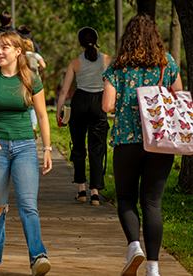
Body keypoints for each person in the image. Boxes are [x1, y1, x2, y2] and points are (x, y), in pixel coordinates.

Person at [102, 14, 182, 276]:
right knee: (152, 203)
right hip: (160, 141)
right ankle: (154, 268)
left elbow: (107, 105)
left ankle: (134, 247)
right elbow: (178, 98)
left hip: (127, 139)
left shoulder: (118, 65)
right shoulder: (167, 63)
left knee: (126, 198)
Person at [0, 31, 52, 276]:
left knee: (28, 205)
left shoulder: (30, 79)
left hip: (25, 147)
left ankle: (38, 256)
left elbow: (42, 116)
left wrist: (47, 148)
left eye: (5, 47)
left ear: (18, 52)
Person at [56, 27, 112, 206]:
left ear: (79, 43)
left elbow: (65, 90)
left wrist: (59, 111)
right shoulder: (107, 60)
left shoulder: (74, 62)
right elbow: (114, 85)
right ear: (96, 40)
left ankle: (81, 189)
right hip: (99, 103)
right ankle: (95, 193)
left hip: (80, 102)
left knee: (79, 146)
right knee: (97, 148)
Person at [22, 38, 46, 138]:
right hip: (35, 81)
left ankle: (25, 126)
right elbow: (43, 65)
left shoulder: (22, 55)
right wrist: (38, 66)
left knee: (24, 102)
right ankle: (33, 125)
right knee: (33, 105)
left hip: (24, 81)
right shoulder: (36, 55)